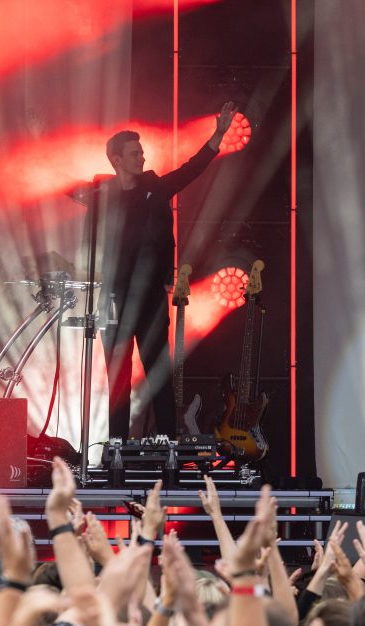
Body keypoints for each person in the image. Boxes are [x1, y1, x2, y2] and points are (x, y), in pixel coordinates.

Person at [78, 101, 237, 442]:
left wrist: (218, 135)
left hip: (150, 297)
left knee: (158, 372)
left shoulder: (156, 189)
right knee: (117, 377)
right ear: (116, 160)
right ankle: (116, 449)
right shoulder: (103, 199)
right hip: (114, 298)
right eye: (134, 153)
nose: (142, 157)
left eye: (141, 151)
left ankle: (168, 445)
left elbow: (191, 170)